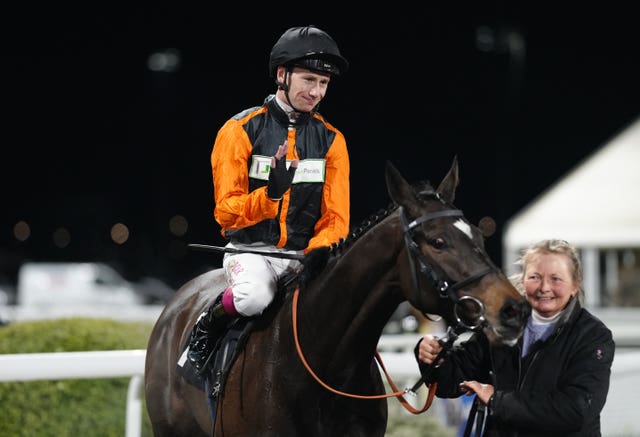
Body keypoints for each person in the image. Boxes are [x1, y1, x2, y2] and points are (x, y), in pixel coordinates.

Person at [186, 25, 351, 373]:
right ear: (282, 75)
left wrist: (317, 253)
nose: (316, 92)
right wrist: (270, 195)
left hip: (303, 256)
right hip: (250, 252)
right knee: (254, 297)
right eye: (308, 80)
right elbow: (225, 214)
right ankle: (208, 325)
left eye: (323, 84)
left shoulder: (333, 141)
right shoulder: (238, 130)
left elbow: (336, 219)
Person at [415, 239, 615, 436]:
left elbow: (576, 410)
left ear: (575, 285)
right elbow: (450, 382)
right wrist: (434, 358)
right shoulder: (500, 325)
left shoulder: (594, 336)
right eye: (535, 277)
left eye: (556, 279)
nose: (544, 287)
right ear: (523, 280)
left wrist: (497, 401)